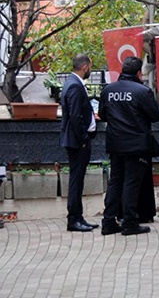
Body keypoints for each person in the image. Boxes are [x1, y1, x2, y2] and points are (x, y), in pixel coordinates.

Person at [99, 56, 159, 236]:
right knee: (131, 183)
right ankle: (130, 222)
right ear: (138, 72)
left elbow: (102, 114)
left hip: (115, 143)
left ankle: (109, 221)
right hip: (136, 144)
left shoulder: (108, 90)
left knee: (115, 182)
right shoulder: (142, 91)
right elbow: (155, 115)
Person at [60, 54, 99, 232]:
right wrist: (84, 139)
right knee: (76, 180)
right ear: (85, 67)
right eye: (90, 66)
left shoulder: (71, 83)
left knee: (78, 179)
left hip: (77, 139)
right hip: (78, 141)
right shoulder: (75, 86)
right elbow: (75, 116)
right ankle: (74, 219)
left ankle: (78, 217)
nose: (90, 70)